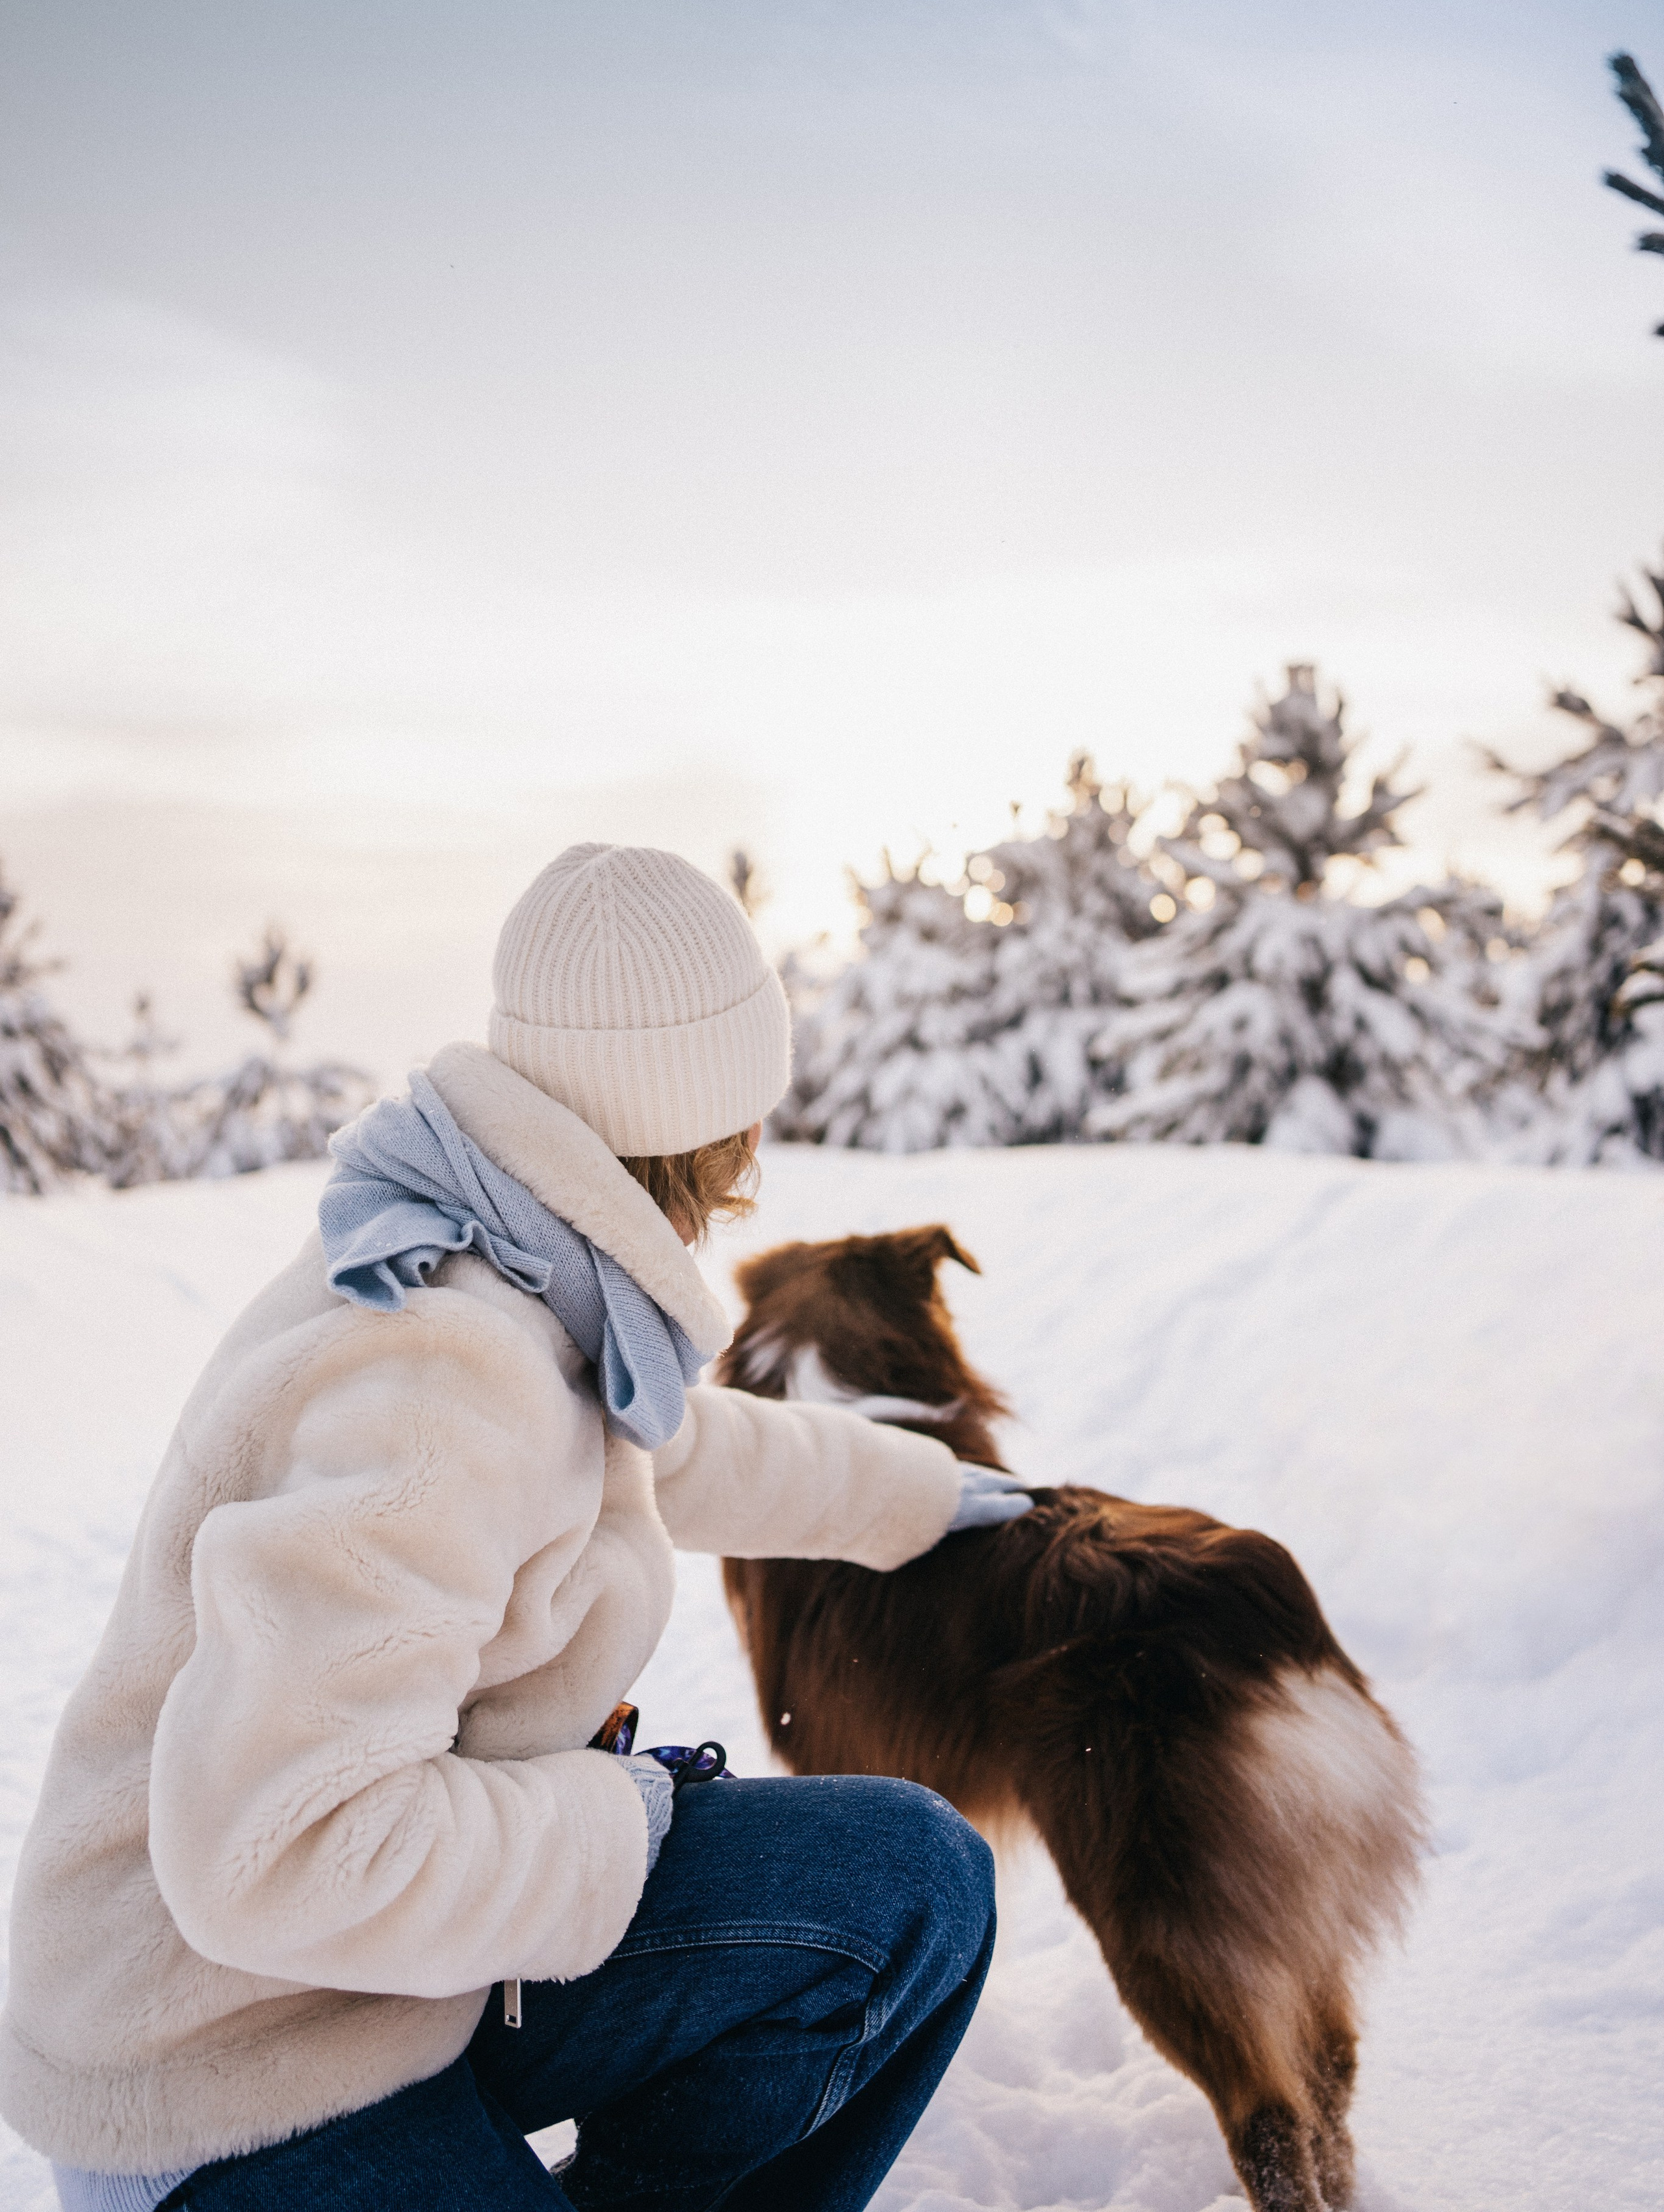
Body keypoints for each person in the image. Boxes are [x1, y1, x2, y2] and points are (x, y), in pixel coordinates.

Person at [1, 845, 1032, 2212]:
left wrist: (914, 1497)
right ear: (704, 1112)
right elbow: (276, 1852)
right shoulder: (443, 1368)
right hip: (224, 2060)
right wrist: (623, 1812)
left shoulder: (525, 1255)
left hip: (390, 1969)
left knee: (904, 1887)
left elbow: (654, 1439)